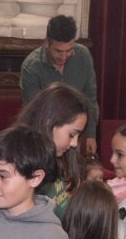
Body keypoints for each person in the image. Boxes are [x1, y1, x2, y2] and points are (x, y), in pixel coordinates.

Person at [20, 14, 99, 156]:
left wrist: (91, 135)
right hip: (44, 138)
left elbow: (90, 99)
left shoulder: (83, 56)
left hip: (77, 135)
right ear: (47, 43)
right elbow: (33, 113)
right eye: (58, 51)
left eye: (69, 50)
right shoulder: (31, 66)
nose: (63, 57)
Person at [19, 81, 89, 217]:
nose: (74, 143)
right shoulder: (23, 166)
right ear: (49, 122)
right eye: (72, 134)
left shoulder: (61, 158)